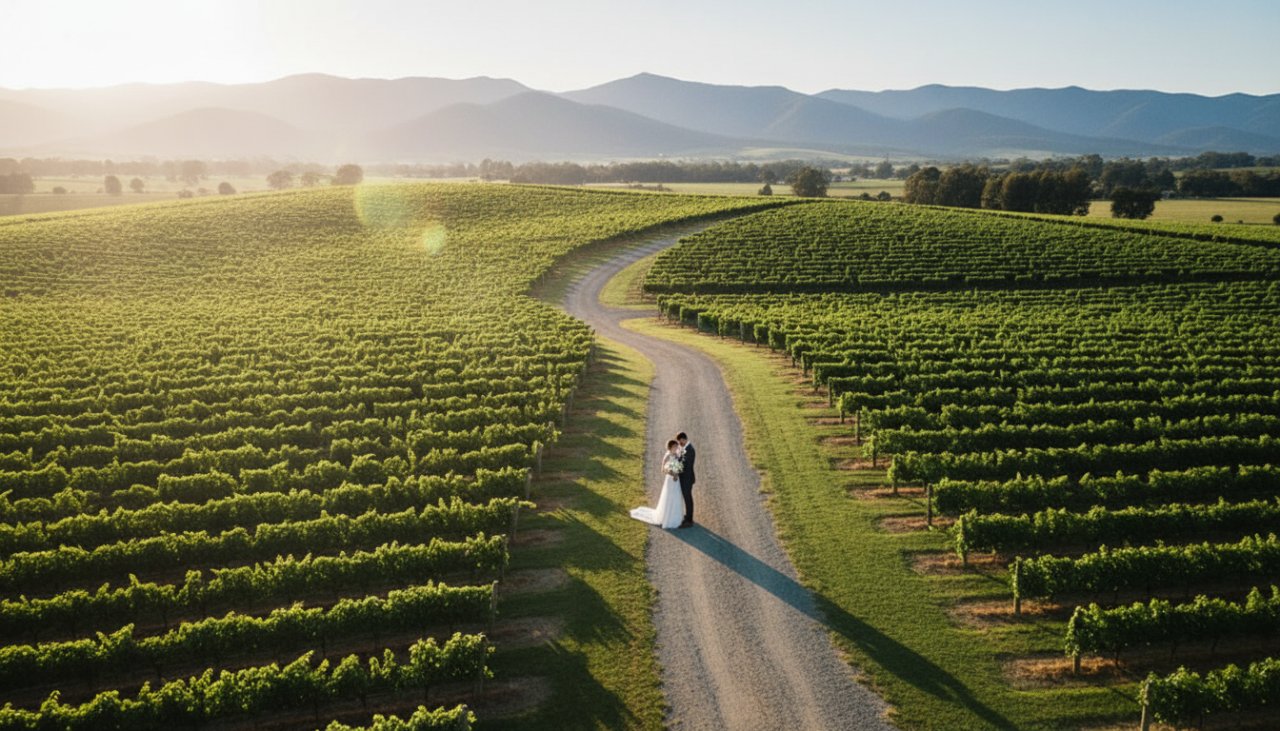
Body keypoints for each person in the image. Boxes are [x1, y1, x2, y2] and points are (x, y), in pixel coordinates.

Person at [630, 439, 686, 529]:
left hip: (676, 479)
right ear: (670, 447)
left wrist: (678, 472)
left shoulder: (676, 455)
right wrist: (672, 473)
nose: (676, 448)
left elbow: (679, 465)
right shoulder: (667, 456)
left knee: (676, 496)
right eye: (675, 447)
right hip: (670, 479)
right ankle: (667, 517)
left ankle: (676, 517)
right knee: (669, 496)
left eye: (676, 447)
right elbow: (663, 469)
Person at [676, 432, 696, 528]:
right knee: (687, 497)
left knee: (688, 498)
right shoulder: (686, 448)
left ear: (684, 439)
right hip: (686, 478)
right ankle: (688, 516)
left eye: (680, 442)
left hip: (687, 478)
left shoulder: (690, 450)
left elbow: (684, 465)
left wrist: (674, 467)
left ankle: (689, 520)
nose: (680, 444)